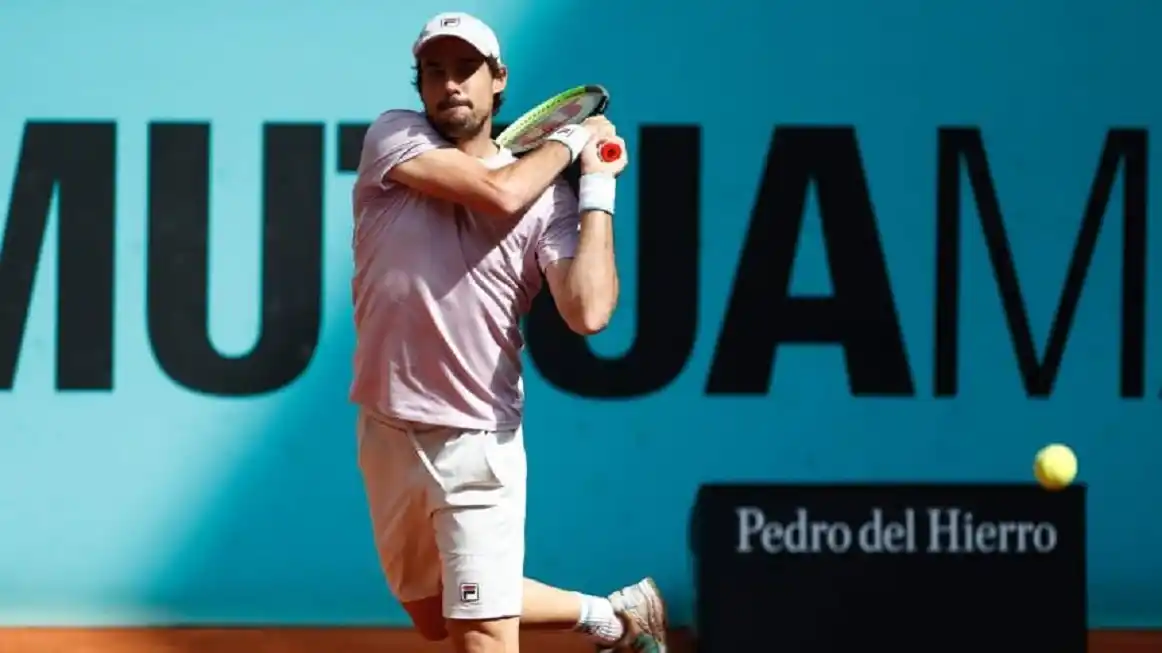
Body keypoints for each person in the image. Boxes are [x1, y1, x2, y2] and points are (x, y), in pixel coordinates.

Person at [349, 10, 667, 653]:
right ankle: (614, 617)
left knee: (480, 637)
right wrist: (574, 143)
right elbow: (499, 192)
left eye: (466, 69)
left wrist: (597, 188)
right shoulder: (395, 137)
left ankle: (608, 619)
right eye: (434, 71)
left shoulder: (553, 201)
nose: (450, 85)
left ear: (499, 80)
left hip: (477, 443)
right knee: (434, 613)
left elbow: (588, 312)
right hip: (385, 430)